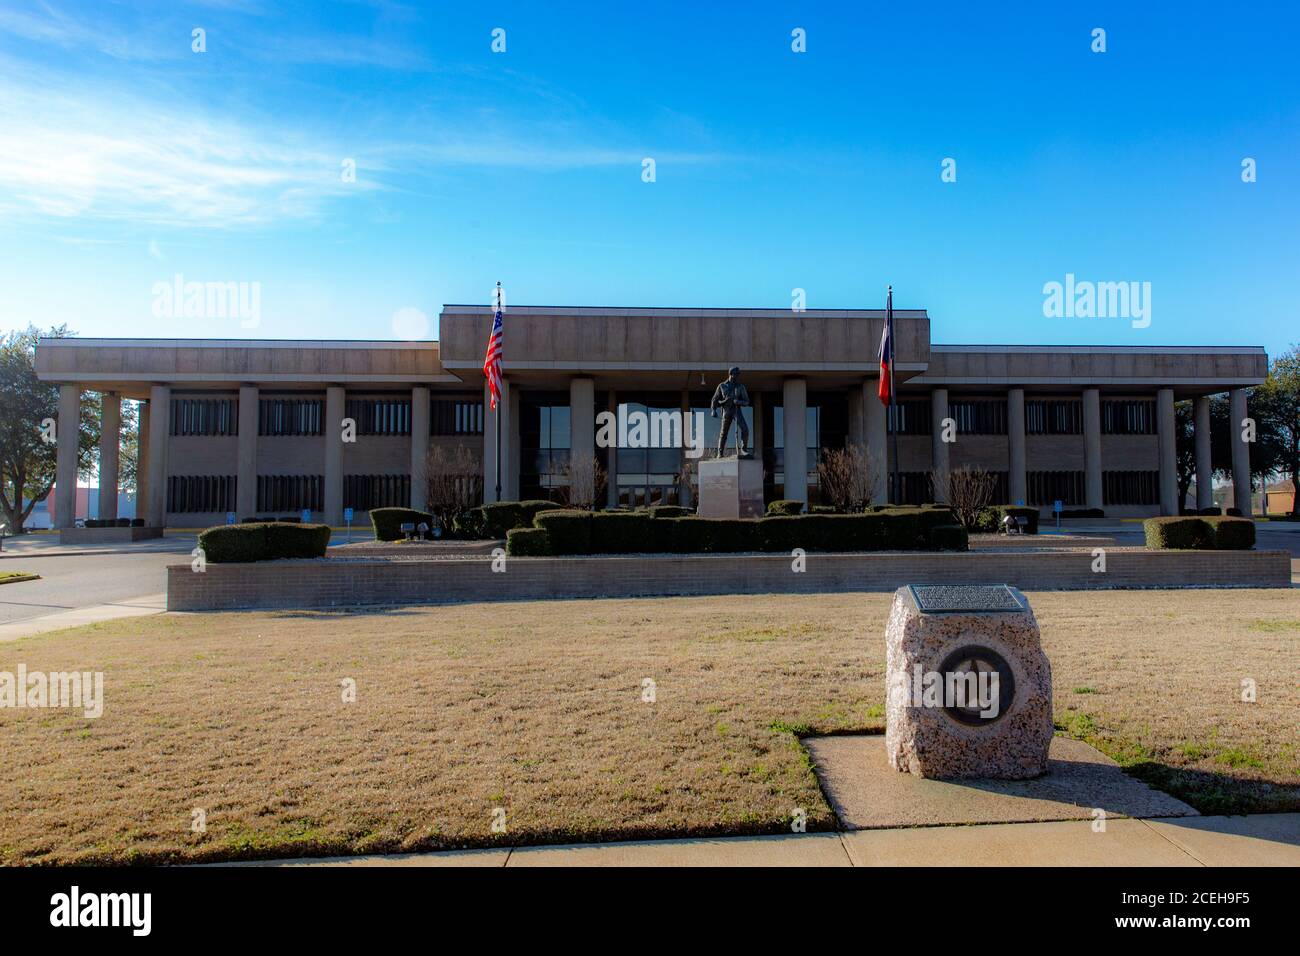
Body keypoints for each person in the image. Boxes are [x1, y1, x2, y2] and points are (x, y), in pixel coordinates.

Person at [710, 366, 750, 457]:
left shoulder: (740, 387)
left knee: (745, 430)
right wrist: (713, 410)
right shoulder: (722, 386)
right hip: (726, 411)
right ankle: (720, 453)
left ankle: (744, 449)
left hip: (736, 411)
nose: (737, 376)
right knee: (723, 433)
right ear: (731, 374)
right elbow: (714, 399)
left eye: (738, 375)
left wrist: (738, 402)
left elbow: (747, 401)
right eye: (736, 374)